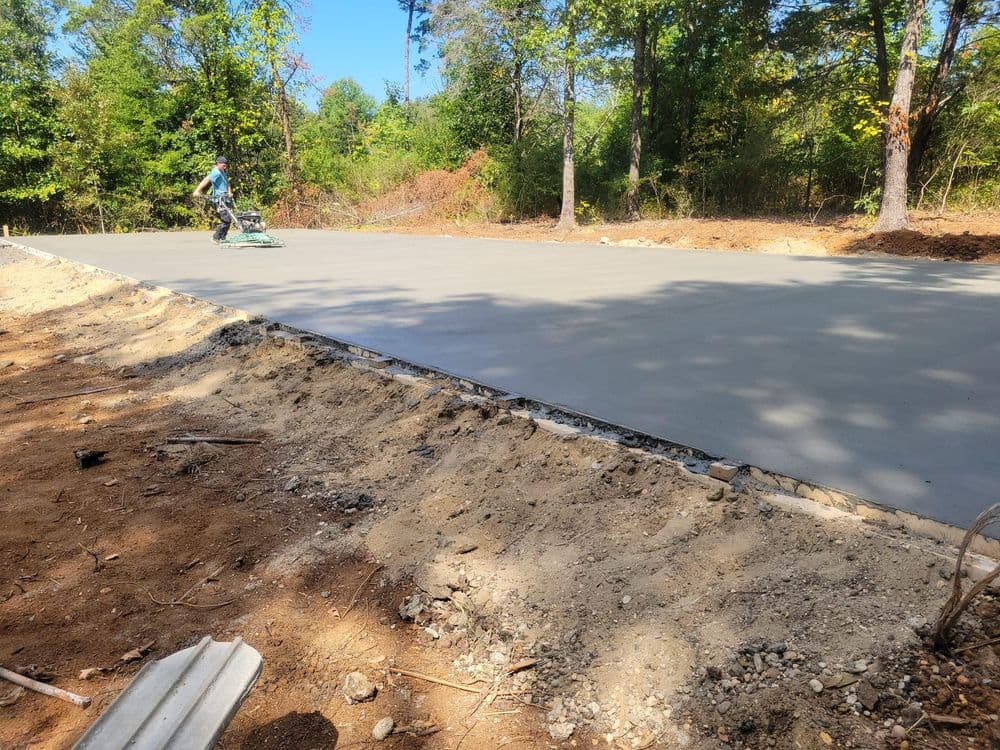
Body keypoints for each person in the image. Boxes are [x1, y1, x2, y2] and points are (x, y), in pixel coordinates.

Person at [193, 156, 234, 243]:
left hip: (226, 199)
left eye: (226, 164)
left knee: (228, 219)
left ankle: (222, 238)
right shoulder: (216, 172)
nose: (225, 166)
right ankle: (216, 237)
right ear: (218, 163)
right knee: (226, 219)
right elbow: (206, 180)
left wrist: (229, 192)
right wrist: (197, 191)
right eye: (223, 164)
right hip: (220, 200)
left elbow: (227, 183)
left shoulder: (222, 171)